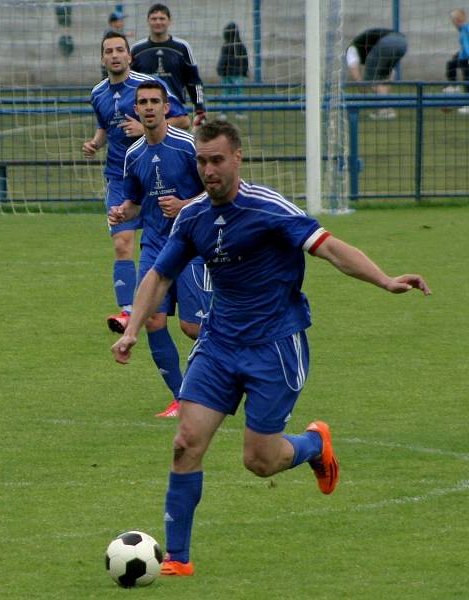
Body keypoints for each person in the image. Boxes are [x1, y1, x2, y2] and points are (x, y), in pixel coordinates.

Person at [111, 120, 430, 576]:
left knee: (260, 462)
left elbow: (330, 248)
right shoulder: (193, 216)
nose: (208, 170)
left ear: (238, 158)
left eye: (217, 160)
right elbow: (158, 276)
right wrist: (131, 331)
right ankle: (178, 558)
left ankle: (314, 445)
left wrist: (385, 280)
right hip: (219, 343)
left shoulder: (269, 208)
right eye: (201, 161)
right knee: (185, 443)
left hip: (275, 345)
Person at [108, 81, 210, 418]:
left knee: (193, 328)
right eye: (143, 102)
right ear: (135, 109)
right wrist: (124, 211)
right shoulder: (133, 155)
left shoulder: (186, 147)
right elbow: (136, 203)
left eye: (155, 101)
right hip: (154, 246)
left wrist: (183, 204)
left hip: (191, 246)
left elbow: (215, 192)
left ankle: (227, 376)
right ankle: (182, 398)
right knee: (153, 320)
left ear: (167, 107)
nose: (149, 107)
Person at [83, 31, 190, 334]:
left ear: (129, 56)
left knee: (165, 240)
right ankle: (128, 311)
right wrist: (94, 143)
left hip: (154, 175)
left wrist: (143, 127)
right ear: (103, 58)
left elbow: (181, 120)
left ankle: (181, 296)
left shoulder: (148, 88)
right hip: (119, 177)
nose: (114, 55)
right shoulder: (98, 93)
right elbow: (104, 127)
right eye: (109, 51)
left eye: (120, 50)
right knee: (122, 242)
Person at [130, 3, 207, 127]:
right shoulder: (137, 49)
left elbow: (194, 81)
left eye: (162, 19)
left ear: (169, 21)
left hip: (175, 111)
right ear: (148, 21)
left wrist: (200, 107)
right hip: (147, 110)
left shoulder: (182, 47)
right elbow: (130, 82)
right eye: (154, 19)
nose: (158, 22)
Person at [345, 28, 408, 121]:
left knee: (371, 79)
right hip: (403, 42)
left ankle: (383, 109)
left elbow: (355, 74)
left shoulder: (351, 49)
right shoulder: (367, 47)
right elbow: (391, 74)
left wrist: (363, 88)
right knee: (381, 79)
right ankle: (385, 107)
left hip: (386, 42)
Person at [215, 22, 249, 121]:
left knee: (226, 92)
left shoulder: (226, 46)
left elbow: (223, 60)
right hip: (238, 74)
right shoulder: (241, 46)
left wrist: (220, 70)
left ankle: (223, 113)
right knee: (238, 93)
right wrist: (244, 71)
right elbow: (245, 60)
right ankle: (239, 113)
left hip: (227, 74)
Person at [444, 8, 469, 114]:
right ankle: (454, 86)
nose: (452, 22)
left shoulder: (466, 29)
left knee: (467, 80)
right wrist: (458, 54)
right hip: (463, 58)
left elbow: (467, 45)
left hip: (466, 59)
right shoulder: (463, 29)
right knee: (451, 64)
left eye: (453, 20)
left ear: (458, 20)